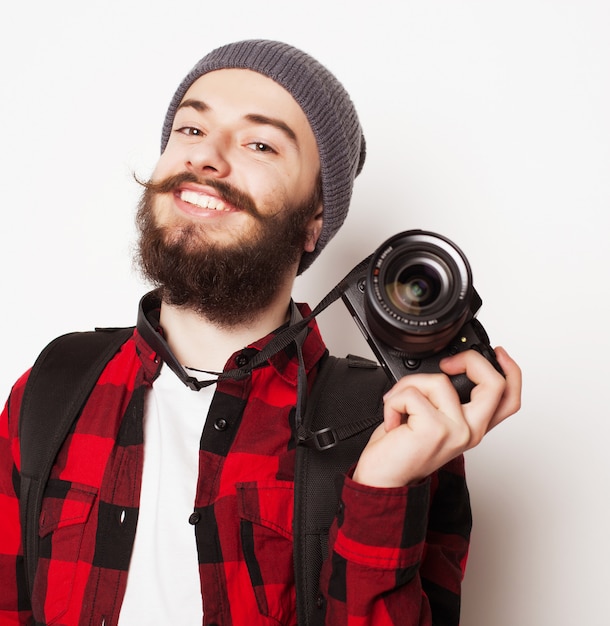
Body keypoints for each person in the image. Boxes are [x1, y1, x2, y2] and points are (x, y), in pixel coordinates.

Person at [0, 39, 521, 625]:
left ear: (315, 220)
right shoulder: (51, 388)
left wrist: (381, 488)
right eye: (191, 130)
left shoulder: (399, 428)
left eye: (259, 143)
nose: (206, 158)